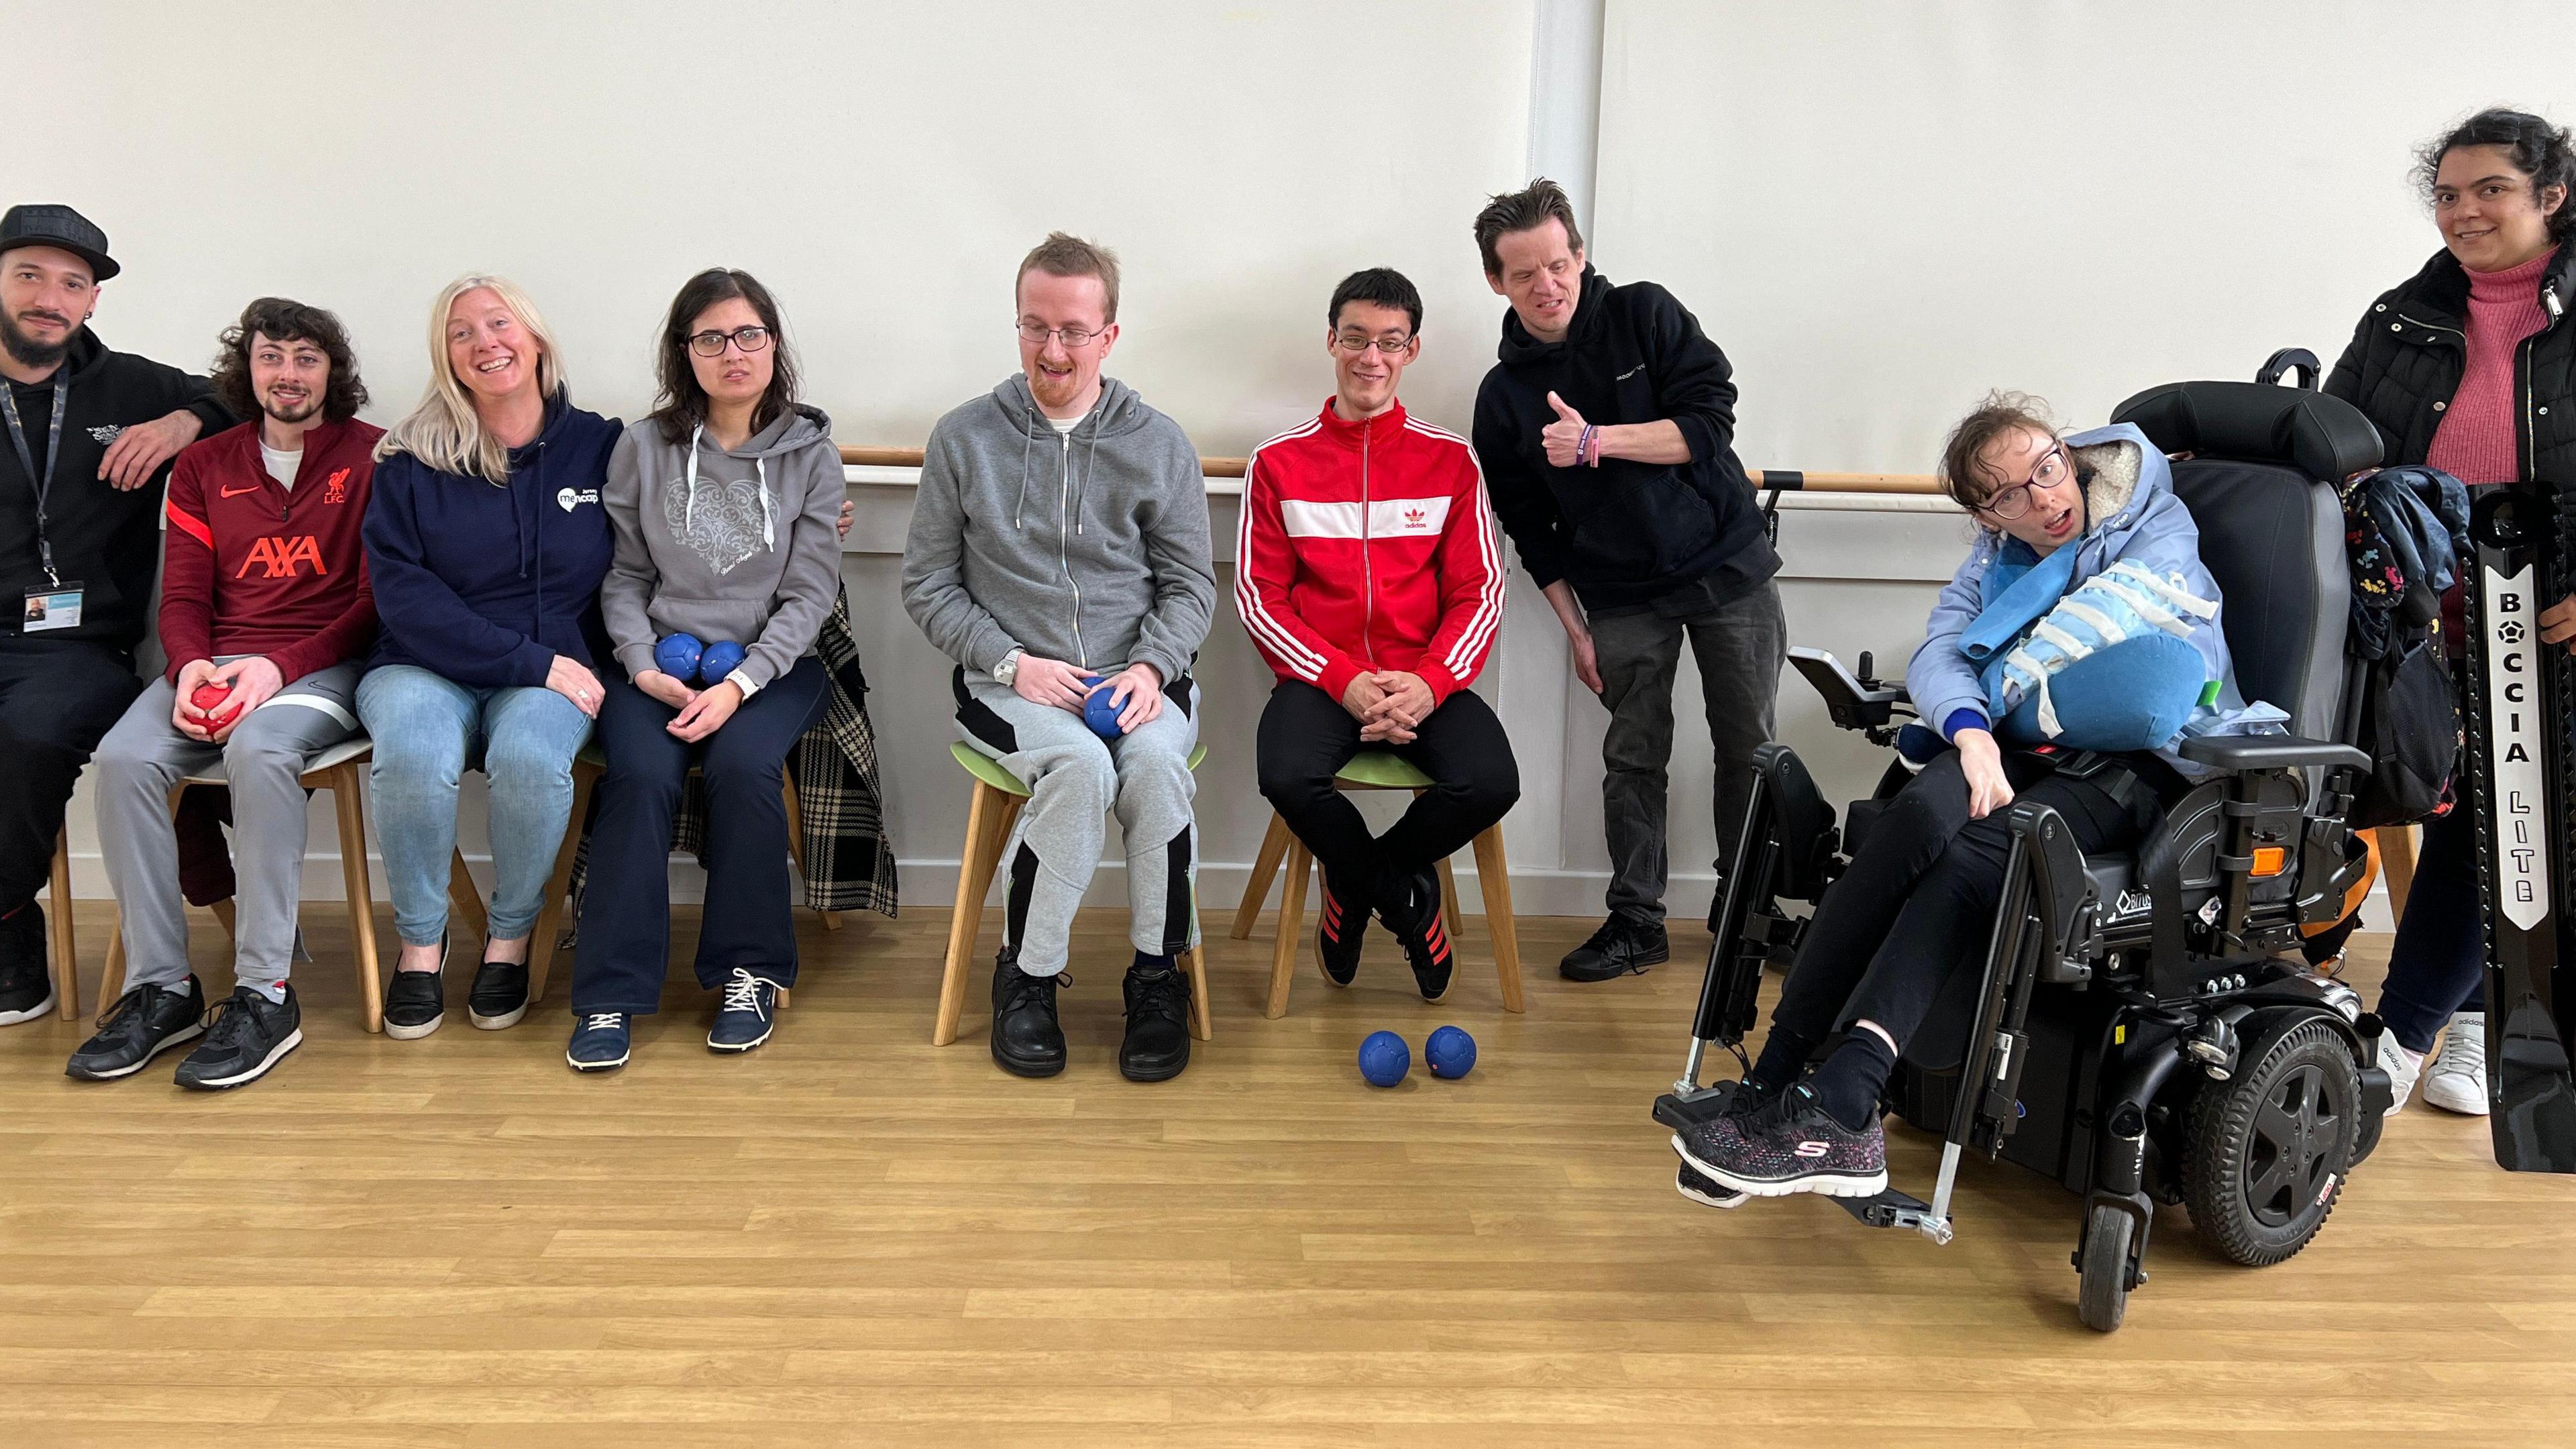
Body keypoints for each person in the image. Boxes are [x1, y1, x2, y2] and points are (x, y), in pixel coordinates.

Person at [1674, 395, 2255, 1202]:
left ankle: (1845, 1102)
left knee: (1981, 854)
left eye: (2047, 470)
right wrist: (1975, 731)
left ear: (2069, 455)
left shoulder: (2152, 525)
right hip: (2018, 747)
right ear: (1985, 513)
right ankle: (1779, 1078)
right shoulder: (1994, 562)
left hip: (2133, 765)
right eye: (2010, 494)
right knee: (1913, 816)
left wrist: (1994, 695)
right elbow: (1942, 652)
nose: (2044, 498)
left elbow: (2151, 681)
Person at [902, 232, 1216, 1082]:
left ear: (1109, 335)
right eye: (1035, 327)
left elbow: (1192, 587)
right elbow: (927, 583)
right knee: (1079, 768)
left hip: (1138, 681)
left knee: (1153, 770)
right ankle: (1028, 977)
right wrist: (1012, 663)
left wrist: (1150, 669)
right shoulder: (965, 438)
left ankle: (1158, 978)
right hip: (1012, 687)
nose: (1053, 350)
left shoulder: (1158, 442)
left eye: (1074, 331)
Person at [1467, 179, 1786, 985]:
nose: (1547, 285)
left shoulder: (1647, 313)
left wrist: (1598, 442)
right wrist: (1575, 630)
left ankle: (1745, 912)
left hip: (1725, 563)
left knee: (1748, 745)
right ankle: (1638, 918)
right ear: (1497, 284)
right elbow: (1528, 527)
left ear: (1579, 255)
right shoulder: (1503, 397)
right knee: (1633, 754)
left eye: (1557, 263)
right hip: (1617, 594)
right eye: (1524, 274)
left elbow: (1710, 425)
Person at [2326, 108, 2576, 1121]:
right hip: (2421, 624)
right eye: (2447, 194)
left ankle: (2408, 1035)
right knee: (2441, 807)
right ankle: (2459, 1025)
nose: (2463, 213)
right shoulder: (2404, 317)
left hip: (2549, 623)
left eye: (2490, 192)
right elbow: (2338, 439)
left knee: (2500, 823)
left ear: (2550, 198)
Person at [64, 299, 379, 1086]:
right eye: (272, 357)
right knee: (128, 757)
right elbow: (182, 596)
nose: (289, 374)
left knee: (261, 746)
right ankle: (161, 987)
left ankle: (265, 993)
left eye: (307, 358)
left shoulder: (377, 457)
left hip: (325, 664)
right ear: (248, 370)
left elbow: (376, 606)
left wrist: (279, 669)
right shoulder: (204, 465)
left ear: (332, 372)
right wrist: (190, 667)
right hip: (218, 660)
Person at [563, 270, 843, 1071]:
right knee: (641, 776)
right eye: (711, 338)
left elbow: (809, 592)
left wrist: (740, 685)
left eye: (749, 334)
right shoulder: (642, 448)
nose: (733, 353)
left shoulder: (810, 455)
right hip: (654, 665)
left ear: (773, 344)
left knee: (743, 767)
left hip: (770, 668)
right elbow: (622, 577)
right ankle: (609, 993)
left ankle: (747, 973)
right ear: (684, 352)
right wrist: (642, 667)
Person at [1239, 266, 1517, 998]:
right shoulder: (1276, 463)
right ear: (1332, 341)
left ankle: (1356, 884)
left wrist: (1429, 682)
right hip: (1321, 681)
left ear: (1412, 351)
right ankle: (1405, 899)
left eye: (1390, 342)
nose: (1372, 357)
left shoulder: (1453, 461)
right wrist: (1343, 680)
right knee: (1285, 774)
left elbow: (1480, 591)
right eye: (1357, 338)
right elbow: (1259, 598)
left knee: (1490, 781)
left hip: (1425, 678)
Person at [359, 276, 620, 1040]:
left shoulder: (602, 446)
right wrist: (529, 663)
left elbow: (708, 454)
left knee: (535, 760)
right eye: (461, 333)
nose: (485, 344)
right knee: (412, 752)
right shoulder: (409, 458)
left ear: (535, 338)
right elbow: (405, 598)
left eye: (499, 324)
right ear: (446, 358)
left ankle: (510, 939)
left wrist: (812, 474)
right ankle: (419, 946)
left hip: (553, 660)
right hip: (422, 663)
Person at [0, 204, 232, 1026]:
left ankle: (5, 924)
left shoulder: (134, 384)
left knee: (31, 735)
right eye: (29, 274)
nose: (49, 298)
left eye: (72, 283)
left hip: (74, 643)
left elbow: (241, 398)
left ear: (92, 300)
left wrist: (181, 424)